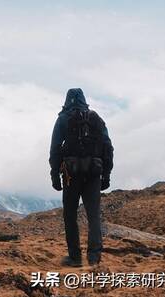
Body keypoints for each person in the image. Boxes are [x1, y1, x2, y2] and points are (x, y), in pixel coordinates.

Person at [49, 88, 114, 267]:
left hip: (71, 175)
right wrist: (106, 175)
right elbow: (108, 148)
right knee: (93, 216)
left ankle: (75, 258)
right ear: (85, 100)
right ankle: (94, 258)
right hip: (94, 173)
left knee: (70, 215)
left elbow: (55, 149)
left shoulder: (63, 119)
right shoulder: (96, 119)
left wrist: (54, 174)